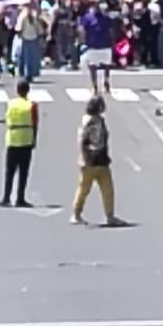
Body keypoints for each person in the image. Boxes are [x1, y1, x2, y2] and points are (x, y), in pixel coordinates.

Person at [71, 95, 124, 227]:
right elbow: (82, 141)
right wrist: (84, 157)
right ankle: (76, 214)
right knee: (84, 188)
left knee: (108, 189)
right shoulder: (89, 121)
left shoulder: (100, 120)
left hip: (101, 159)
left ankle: (110, 216)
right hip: (90, 161)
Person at [0, 79, 38, 208]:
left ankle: (6, 197)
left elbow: (7, 118)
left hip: (12, 138)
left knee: (9, 171)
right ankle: (20, 198)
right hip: (26, 138)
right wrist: (34, 140)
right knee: (23, 171)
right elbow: (35, 123)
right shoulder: (31, 105)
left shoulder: (11, 103)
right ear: (28, 91)